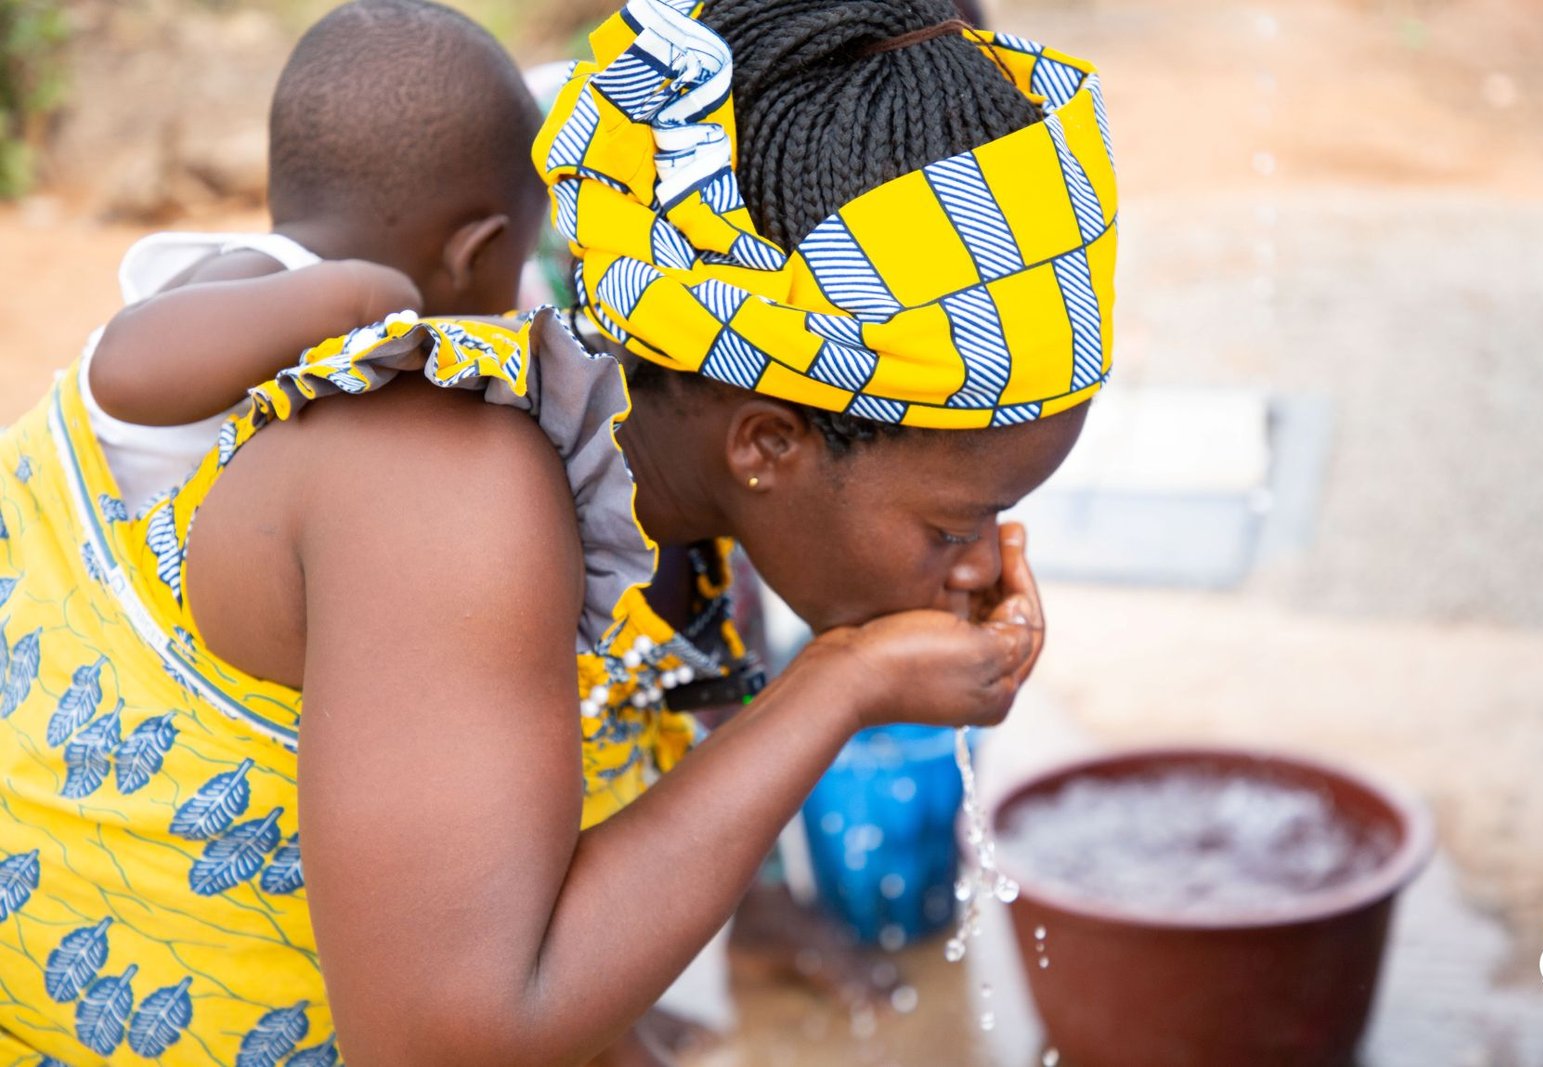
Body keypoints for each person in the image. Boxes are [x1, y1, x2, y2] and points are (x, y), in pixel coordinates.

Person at [0, 1, 1117, 1065]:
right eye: (957, 520)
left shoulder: (675, 534)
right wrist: (841, 684)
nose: (985, 562)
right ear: (767, 443)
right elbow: (449, 1039)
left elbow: (517, 901)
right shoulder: (439, 484)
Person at [82, 0, 542, 510]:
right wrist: (363, 297)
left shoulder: (287, 301)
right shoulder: (273, 270)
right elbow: (120, 370)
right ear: (473, 253)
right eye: (519, 261)